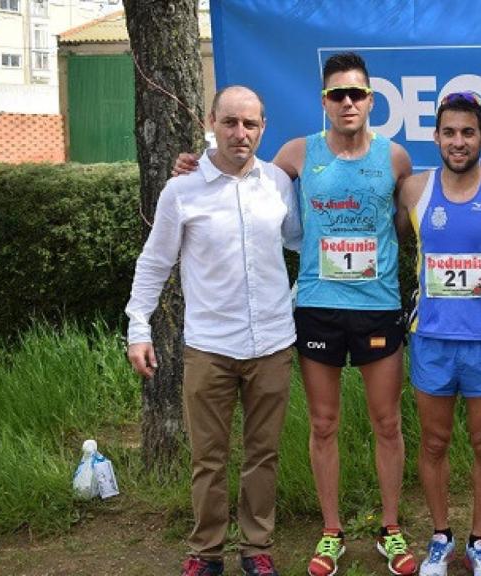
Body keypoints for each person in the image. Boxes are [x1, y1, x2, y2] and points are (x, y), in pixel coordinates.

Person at [175, 52, 416, 576]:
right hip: (317, 309)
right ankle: (331, 533)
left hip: (377, 308)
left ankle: (391, 529)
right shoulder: (297, 153)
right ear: (323, 102)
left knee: (387, 422)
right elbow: (242, 169)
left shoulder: (396, 158)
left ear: (371, 101)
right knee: (323, 423)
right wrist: (196, 159)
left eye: (356, 94)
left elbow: (402, 223)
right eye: (337, 95)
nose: (347, 102)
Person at [126, 85, 300, 576]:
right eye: (230, 122)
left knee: (263, 454)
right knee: (209, 458)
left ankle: (256, 547)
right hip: (209, 348)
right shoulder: (182, 190)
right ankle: (206, 552)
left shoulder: (277, 185)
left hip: (272, 344)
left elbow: (303, 245)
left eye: (250, 124)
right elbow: (154, 262)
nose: (240, 133)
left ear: (263, 128)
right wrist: (138, 327)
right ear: (212, 122)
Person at [395, 92, 481, 576]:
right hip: (431, 339)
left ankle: (479, 541)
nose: (459, 141)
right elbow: (382, 237)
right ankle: (440, 538)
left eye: (468, 132)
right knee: (433, 445)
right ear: (436, 137)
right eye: (449, 132)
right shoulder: (413, 190)